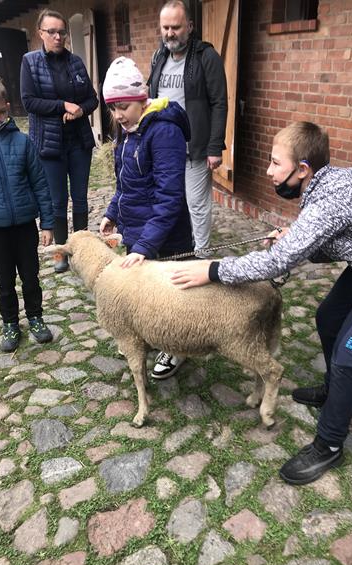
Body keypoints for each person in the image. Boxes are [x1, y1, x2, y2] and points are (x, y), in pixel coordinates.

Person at [171, 121, 352, 486]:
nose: (268, 171)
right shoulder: (323, 184)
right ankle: (333, 390)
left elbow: (279, 262)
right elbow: (339, 240)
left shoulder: (329, 201)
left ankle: (329, 446)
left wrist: (214, 271)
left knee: (350, 351)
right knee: (328, 318)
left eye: (275, 163)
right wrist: (294, 239)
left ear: (302, 169)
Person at [147, 0, 228, 378]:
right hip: (165, 145)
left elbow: (219, 102)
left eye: (176, 28)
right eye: (165, 28)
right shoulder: (158, 58)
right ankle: (175, 259)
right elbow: (151, 100)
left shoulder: (205, 58)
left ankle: (202, 266)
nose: (170, 34)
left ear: (190, 26)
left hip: (195, 148)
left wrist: (215, 146)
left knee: (197, 207)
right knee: (170, 205)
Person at [99, 57, 193, 376]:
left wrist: (145, 246)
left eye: (123, 105)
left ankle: (177, 346)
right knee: (148, 297)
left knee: (172, 300)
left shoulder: (165, 133)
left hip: (166, 239)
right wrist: (113, 212)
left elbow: (169, 197)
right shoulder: (127, 133)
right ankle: (155, 334)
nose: (118, 114)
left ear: (142, 98)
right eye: (113, 108)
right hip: (138, 234)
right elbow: (127, 182)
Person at [20, 8, 98, 273]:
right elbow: (29, 102)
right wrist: (62, 105)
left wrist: (80, 110)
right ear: (40, 33)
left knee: (80, 198)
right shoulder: (30, 62)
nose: (57, 37)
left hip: (79, 142)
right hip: (49, 145)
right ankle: (60, 254)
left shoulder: (75, 62)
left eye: (61, 32)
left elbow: (92, 98)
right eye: (51, 32)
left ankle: (83, 251)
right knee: (56, 201)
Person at [0, 76, 54, 353]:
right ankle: (10, 323)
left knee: (30, 276)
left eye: (2, 111)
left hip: (25, 226)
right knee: (4, 281)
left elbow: (40, 183)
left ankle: (35, 317)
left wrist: (48, 223)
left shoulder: (23, 143)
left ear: (8, 106)